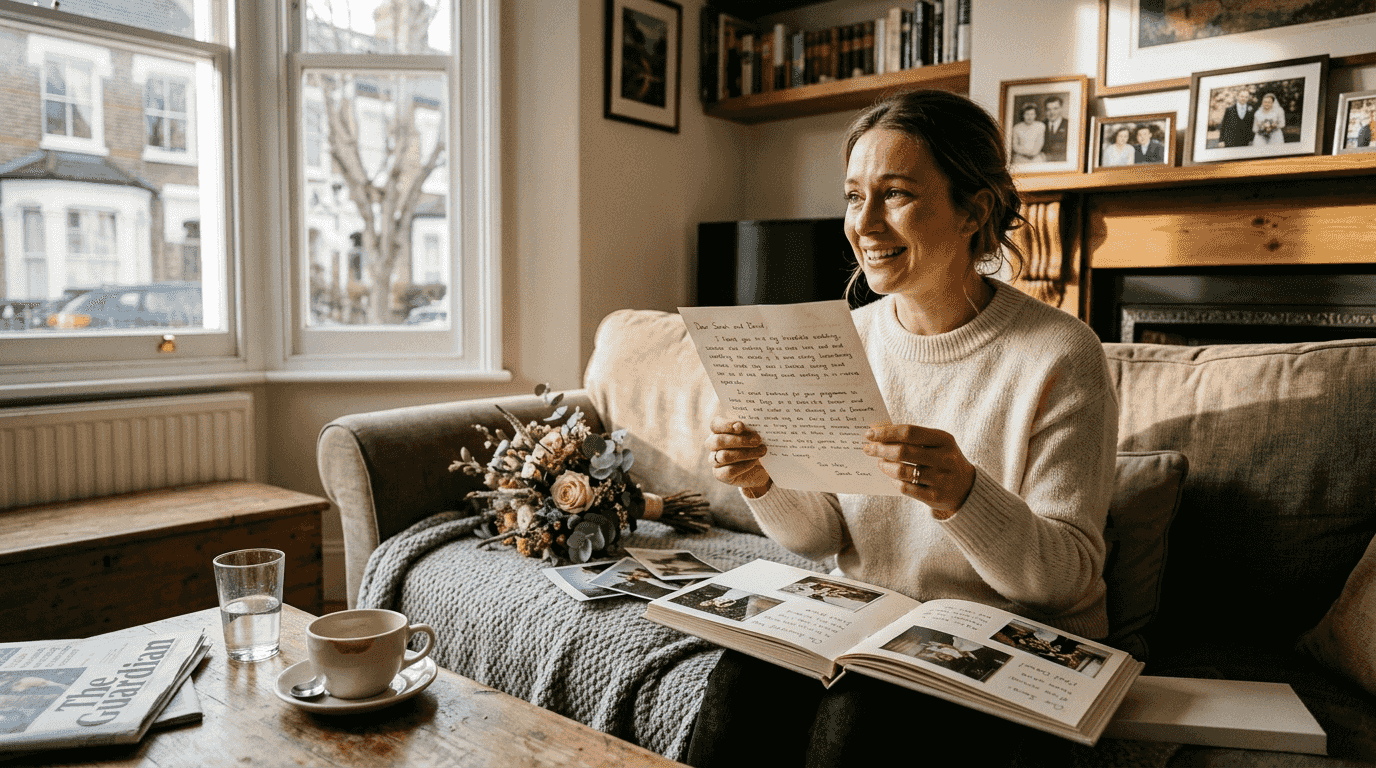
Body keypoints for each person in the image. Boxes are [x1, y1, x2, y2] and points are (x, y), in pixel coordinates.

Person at [688, 89, 1119, 768]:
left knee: (860, 720)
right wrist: (763, 480)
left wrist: (962, 496)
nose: (864, 224)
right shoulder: (843, 338)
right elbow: (822, 535)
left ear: (974, 210)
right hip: (872, 617)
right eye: (854, 197)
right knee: (744, 678)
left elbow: (1066, 579)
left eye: (894, 195)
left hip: (1011, 637)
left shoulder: (1061, 354)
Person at [1042, 96, 1068, 161]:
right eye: (1048, 109)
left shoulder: (1069, 124)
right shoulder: (1040, 125)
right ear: (1045, 111)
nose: (1052, 112)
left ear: (1061, 109)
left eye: (1055, 109)